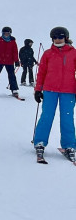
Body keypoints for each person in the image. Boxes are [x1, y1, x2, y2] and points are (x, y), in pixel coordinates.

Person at [32, 27, 76, 163]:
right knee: (46, 116)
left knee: (67, 119)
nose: (58, 40)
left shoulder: (74, 53)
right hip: (50, 90)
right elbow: (41, 73)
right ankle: (40, 142)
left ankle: (69, 146)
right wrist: (38, 89)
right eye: (55, 37)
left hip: (68, 91)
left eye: (60, 37)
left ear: (66, 38)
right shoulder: (48, 54)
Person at [0, 26, 21, 99]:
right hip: (0, 60)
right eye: (4, 33)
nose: (6, 35)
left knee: (12, 76)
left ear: (10, 34)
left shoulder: (12, 41)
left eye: (7, 33)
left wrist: (16, 61)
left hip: (9, 61)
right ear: (2, 33)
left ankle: (14, 89)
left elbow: (15, 52)